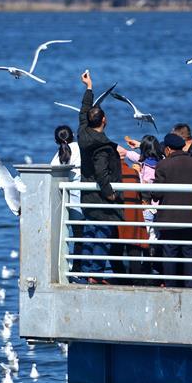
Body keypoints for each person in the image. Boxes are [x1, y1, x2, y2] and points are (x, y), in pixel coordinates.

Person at [77, 70, 122, 284]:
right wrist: (110, 194)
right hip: (100, 196)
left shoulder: (83, 134)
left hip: (86, 193)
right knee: (102, 231)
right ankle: (95, 272)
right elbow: (102, 172)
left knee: (89, 231)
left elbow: (83, 112)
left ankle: (87, 270)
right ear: (104, 119)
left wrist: (89, 88)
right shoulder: (102, 145)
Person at [155, 132, 192, 288]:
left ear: (168, 149)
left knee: (170, 253)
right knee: (190, 253)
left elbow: (157, 193)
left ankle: (171, 287)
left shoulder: (163, 165)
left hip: (169, 219)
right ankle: (190, 287)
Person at [51, 125, 83, 278]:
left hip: (67, 203)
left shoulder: (58, 157)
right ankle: (81, 268)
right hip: (84, 202)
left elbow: (50, 173)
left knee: (70, 237)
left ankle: (72, 270)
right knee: (82, 237)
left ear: (56, 141)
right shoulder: (80, 148)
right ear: (74, 135)